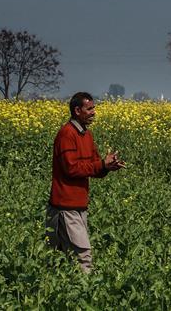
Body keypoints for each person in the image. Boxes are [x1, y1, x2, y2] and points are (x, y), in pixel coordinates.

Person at [46, 92, 125, 272]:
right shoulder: (66, 134)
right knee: (82, 257)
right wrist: (101, 164)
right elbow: (72, 169)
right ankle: (88, 295)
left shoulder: (86, 135)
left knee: (62, 259)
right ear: (77, 110)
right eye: (89, 109)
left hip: (79, 205)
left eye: (94, 108)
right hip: (65, 207)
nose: (94, 112)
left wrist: (107, 166)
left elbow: (94, 166)